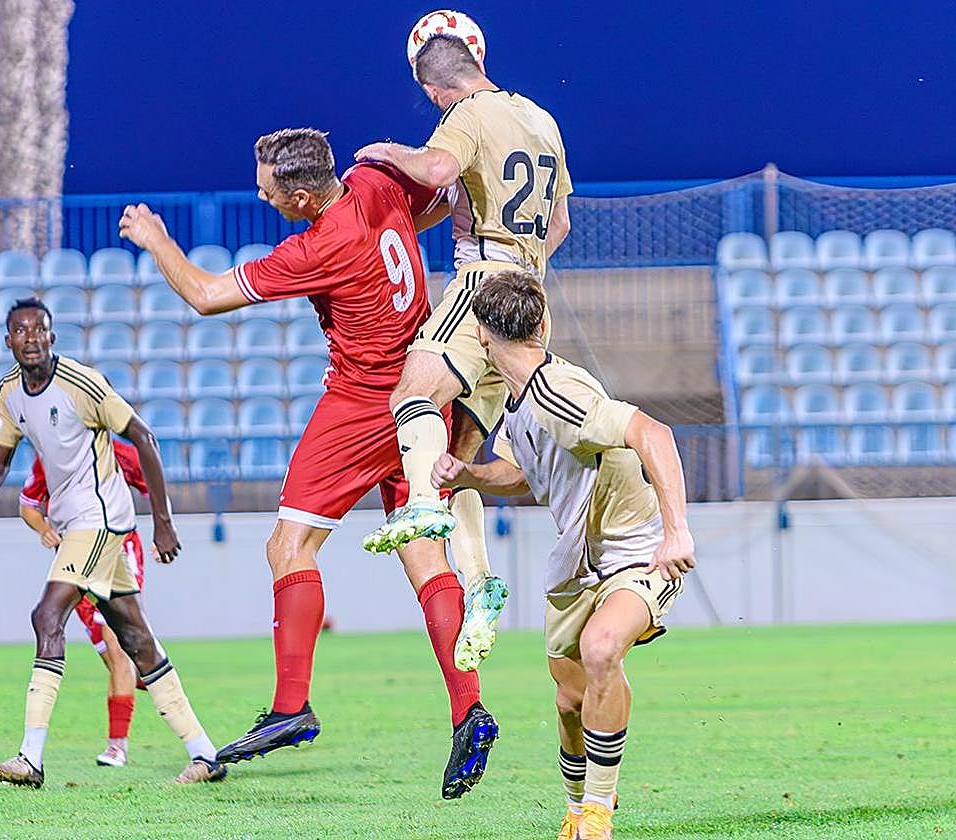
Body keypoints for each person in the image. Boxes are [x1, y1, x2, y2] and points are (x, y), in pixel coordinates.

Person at [118, 128, 497, 799]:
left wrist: (156, 240)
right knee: (425, 557)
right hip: (424, 395)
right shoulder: (376, 184)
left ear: (299, 196)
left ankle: (292, 705)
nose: (261, 197)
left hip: (364, 401)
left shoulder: (320, 246)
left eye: (266, 190)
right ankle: (469, 710)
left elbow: (205, 295)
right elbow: (436, 204)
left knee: (288, 546)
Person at [430, 271, 696, 840]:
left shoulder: (561, 393)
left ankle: (597, 814)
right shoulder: (520, 402)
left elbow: (655, 433)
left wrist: (676, 531)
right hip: (575, 566)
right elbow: (521, 473)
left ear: (481, 335)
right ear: (542, 324)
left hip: (636, 554)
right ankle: (577, 811)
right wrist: (468, 473)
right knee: (570, 700)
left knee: (602, 649)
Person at [355, 32, 575, 671]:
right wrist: (521, 269)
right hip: (531, 296)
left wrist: (388, 152)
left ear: (432, 90)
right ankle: (480, 583)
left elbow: (436, 170)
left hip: (483, 280)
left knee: (413, 393)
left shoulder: (469, 114)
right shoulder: (541, 117)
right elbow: (560, 223)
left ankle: (422, 508)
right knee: (460, 451)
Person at [0, 296, 226, 788]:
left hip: (99, 518)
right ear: (8, 340)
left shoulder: (82, 384)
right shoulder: (10, 393)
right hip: (76, 520)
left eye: (39, 329)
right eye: (21, 331)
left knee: (46, 615)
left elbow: (144, 437)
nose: (31, 338)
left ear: (52, 336)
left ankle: (30, 758)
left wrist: (162, 522)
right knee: (136, 639)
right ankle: (204, 753)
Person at [18, 439, 150, 768]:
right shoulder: (51, 459)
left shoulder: (121, 453)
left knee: (117, 649)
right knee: (116, 659)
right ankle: (145, 671)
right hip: (75, 561)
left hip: (118, 552)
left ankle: (117, 746)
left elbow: (152, 482)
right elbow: (28, 505)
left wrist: (164, 525)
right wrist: (44, 529)